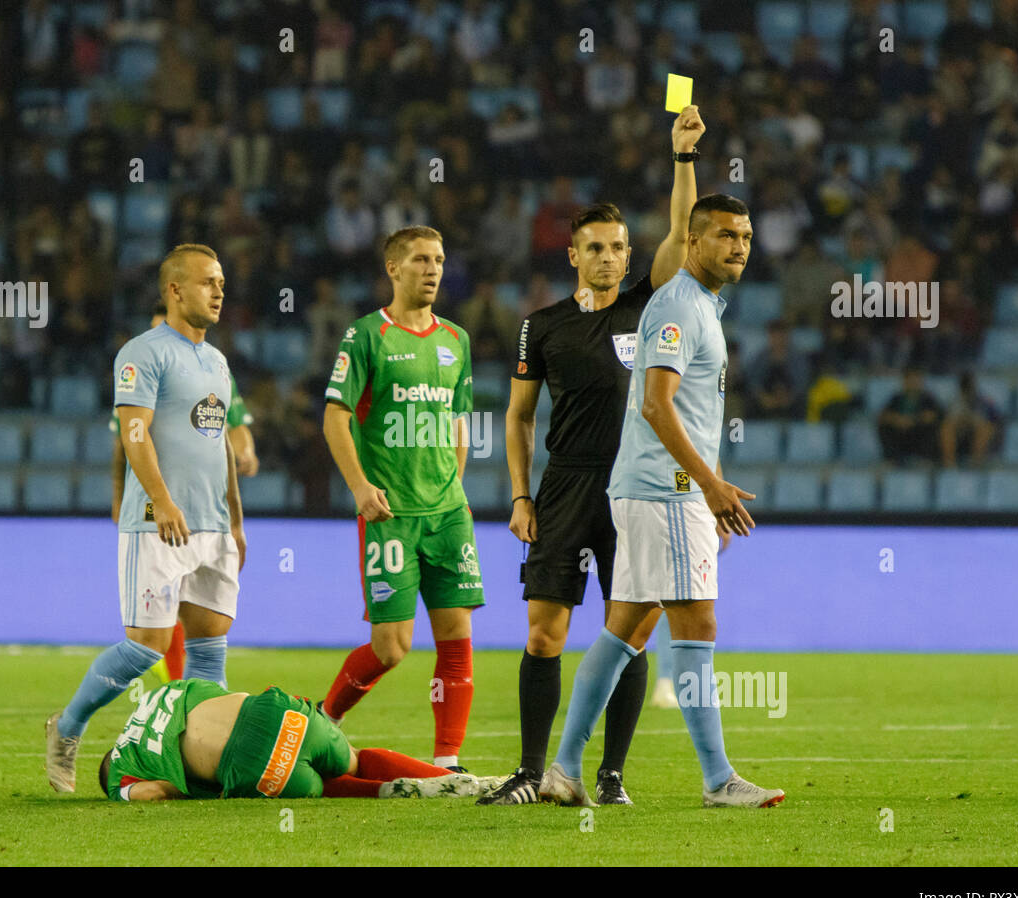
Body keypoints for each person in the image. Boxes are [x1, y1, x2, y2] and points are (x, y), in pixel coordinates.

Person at [480, 106, 706, 808]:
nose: (609, 256)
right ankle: (529, 770)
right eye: (595, 247)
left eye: (617, 247)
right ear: (572, 254)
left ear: (629, 259)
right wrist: (520, 497)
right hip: (567, 487)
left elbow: (681, 232)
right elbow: (518, 419)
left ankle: (609, 777)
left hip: (632, 488)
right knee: (544, 635)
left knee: (627, 632)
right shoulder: (540, 328)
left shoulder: (647, 306)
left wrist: (681, 158)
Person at [539, 194, 784, 810]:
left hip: (666, 489)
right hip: (666, 489)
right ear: (694, 241)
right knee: (694, 625)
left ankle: (564, 770)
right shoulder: (677, 304)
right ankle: (718, 780)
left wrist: (715, 483)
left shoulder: (703, 306)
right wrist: (706, 485)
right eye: (726, 235)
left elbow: (698, 413)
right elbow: (655, 403)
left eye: (747, 237)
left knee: (626, 628)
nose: (739, 247)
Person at [45, 244, 245, 792]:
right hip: (159, 523)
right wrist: (160, 501)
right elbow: (134, 435)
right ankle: (68, 725)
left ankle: (197, 763)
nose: (220, 290)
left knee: (209, 652)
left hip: (212, 524)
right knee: (146, 646)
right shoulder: (143, 352)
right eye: (209, 282)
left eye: (222, 281)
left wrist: (237, 521)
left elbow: (222, 444)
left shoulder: (219, 362)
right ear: (175, 290)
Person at [319, 226, 483, 772]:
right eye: (420, 260)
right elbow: (335, 417)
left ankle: (449, 760)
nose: (432, 269)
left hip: (447, 514)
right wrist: (361, 488)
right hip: (390, 515)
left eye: (439, 259)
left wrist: (455, 484)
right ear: (393, 269)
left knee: (456, 637)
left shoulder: (456, 340)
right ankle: (326, 717)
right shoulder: (366, 336)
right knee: (392, 646)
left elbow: (458, 420)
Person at [108, 302, 259, 684]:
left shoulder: (213, 366)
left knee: (202, 628)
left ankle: (184, 699)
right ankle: (171, 686)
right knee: (153, 632)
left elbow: (231, 426)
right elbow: (125, 441)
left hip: (204, 511)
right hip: (155, 509)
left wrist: (247, 450)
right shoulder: (143, 363)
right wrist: (120, 498)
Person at [99, 679, 504, 801]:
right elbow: (222, 693)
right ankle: (460, 780)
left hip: (253, 768)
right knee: (355, 758)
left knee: (320, 786)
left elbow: (151, 794)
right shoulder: (159, 695)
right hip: (280, 715)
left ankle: (393, 792)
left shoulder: (122, 770)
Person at [877, 368, 942, 465]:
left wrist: (913, 420)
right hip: (900, 433)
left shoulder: (927, 398)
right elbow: (883, 415)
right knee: (884, 426)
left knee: (932, 427)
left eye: (915, 380)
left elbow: (933, 415)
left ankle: (925, 459)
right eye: (910, 380)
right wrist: (897, 419)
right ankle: (891, 460)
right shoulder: (897, 398)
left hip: (918, 433)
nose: (913, 383)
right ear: (905, 381)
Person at [940, 370, 999, 467]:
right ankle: (949, 463)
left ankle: (976, 462)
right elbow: (948, 418)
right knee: (946, 428)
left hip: (976, 430)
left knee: (986, 428)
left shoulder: (982, 400)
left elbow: (992, 419)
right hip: (958, 431)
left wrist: (972, 421)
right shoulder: (953, 400)